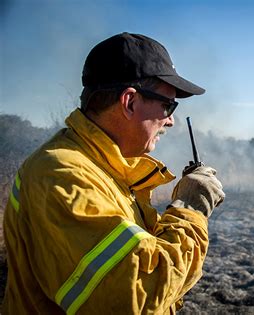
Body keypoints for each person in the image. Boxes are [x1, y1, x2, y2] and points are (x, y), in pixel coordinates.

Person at [2, 32, 225, 314]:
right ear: (129, 102)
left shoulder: (100, 167)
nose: (171, 120)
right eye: (168, 105)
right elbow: (138, 295)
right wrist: (190, 209)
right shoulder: (62, 175)